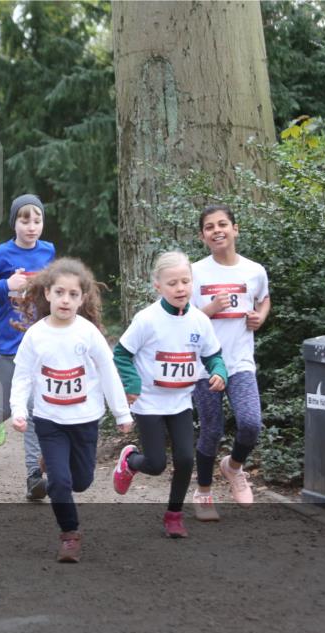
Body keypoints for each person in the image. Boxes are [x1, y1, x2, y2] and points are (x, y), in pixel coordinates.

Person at [9, 258, 133, 561]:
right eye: (60, 292)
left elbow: (108, 372)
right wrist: (18, 410)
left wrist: (122, 413)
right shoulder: (36, 335)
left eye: (73, 294)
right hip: (49, 419)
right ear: (47, 293)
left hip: (84, 419)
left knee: (81, 481)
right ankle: (69, 535)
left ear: (82, 298)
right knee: (60, 484)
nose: (65, 300)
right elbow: (22, 376)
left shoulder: (88, 333)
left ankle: (53, 465)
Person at [112, 251, 227, 538]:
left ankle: (174, 516)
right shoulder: (147, 320)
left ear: (192, 283)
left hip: (180, 402)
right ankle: (130, 461)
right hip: (149, 402)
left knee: (186, 459)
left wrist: (219, 372)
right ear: (158, 286)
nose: (180, 288)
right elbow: (121, 354)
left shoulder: (199, 320)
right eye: (172, 283)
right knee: (156, 464)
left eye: (185, 281)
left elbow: (213, 355)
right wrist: (132, 384)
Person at [0, 194, 55, 500]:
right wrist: (6, 285)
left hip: (36, 343)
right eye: (25, 220)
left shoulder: (48, 251)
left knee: (31, 407)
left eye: (37, 220)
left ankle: (33, 476)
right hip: (2, 344)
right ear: (14, 222)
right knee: (4, 406)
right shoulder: (1, 254)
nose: (31, 227)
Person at [190, 205, 270, 519]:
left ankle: (233, 467)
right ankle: (203, 491)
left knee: (250, 424)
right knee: (211, 430)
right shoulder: (194, 272)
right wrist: (209, 310)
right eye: (209, 227)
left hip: (240, 362)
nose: (217, 230)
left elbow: (264, 298)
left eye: (222, 224)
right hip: (205, 366)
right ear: (202, 236)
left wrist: (260, 316)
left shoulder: (254, 270)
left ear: (235, 229)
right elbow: (181, 318)